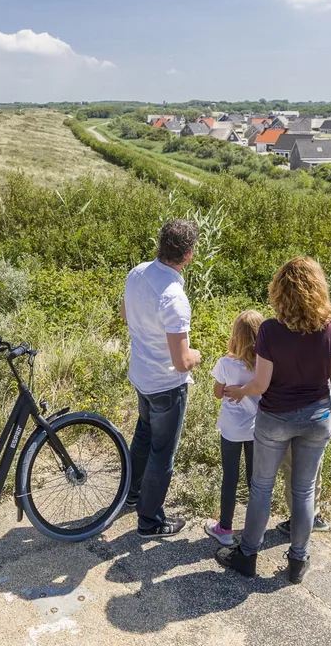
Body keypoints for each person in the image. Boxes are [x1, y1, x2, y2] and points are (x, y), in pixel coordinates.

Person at [216, 257, 331, 584]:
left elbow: (260, 385)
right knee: (303, 492)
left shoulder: (271, 331)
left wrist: (237, 391)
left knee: (261, 488)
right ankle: (298, 561)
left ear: (279, 291)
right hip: (317, 417)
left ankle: (247, 555)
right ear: (318, 288)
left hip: (275, 418)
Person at [122, 219, 201, 537]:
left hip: (141, 374)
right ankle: (150, 521)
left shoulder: (137, 272)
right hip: (166, 386)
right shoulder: (175, 299)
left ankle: (131, 494)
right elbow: (182, 362)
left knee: (143, 435)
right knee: (162, 452)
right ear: (189, 255)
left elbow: (127, 316)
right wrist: (196, 354)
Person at [203, 310, 265, 546]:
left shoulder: (225, 363)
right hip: (255, 428)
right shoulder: (264, 364)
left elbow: (218, 393)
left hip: (231, 428)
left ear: (235, 336)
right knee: (254, 479)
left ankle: (225, 528)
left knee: (230, 477)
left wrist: (231, 387)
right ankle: (253, 530)